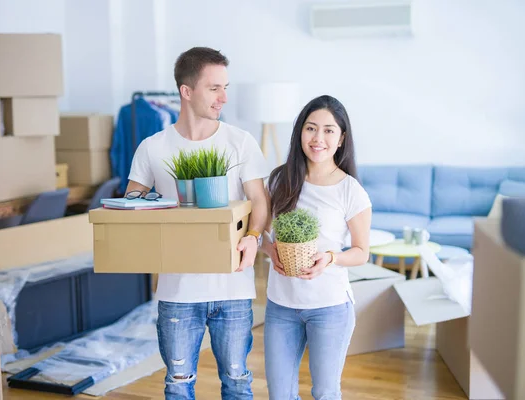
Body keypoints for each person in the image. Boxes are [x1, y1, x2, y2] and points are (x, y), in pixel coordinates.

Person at [125, 47, 269, 399]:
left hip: (232, 289)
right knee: (178, 385)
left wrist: (252, 237)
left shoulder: (240, 142)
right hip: (177, 292)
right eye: (214, 88)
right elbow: (129, 206)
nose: (224, 97)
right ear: (186, 92)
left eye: (225, 87)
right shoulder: (153, 147)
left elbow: (260, 202)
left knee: (237, 383)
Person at [260, 95, 372, 400]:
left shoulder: (351, 191)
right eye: (310, 128)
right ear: (300, 133)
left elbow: (362, 252)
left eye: (328, 130)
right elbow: (261, 233)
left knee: (324, 393)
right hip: (281, 305)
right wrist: (269, 250)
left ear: (341, 138)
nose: (318, 138)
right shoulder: (280, 179)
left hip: (330, 307)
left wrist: (331, 257)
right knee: (279, 395)